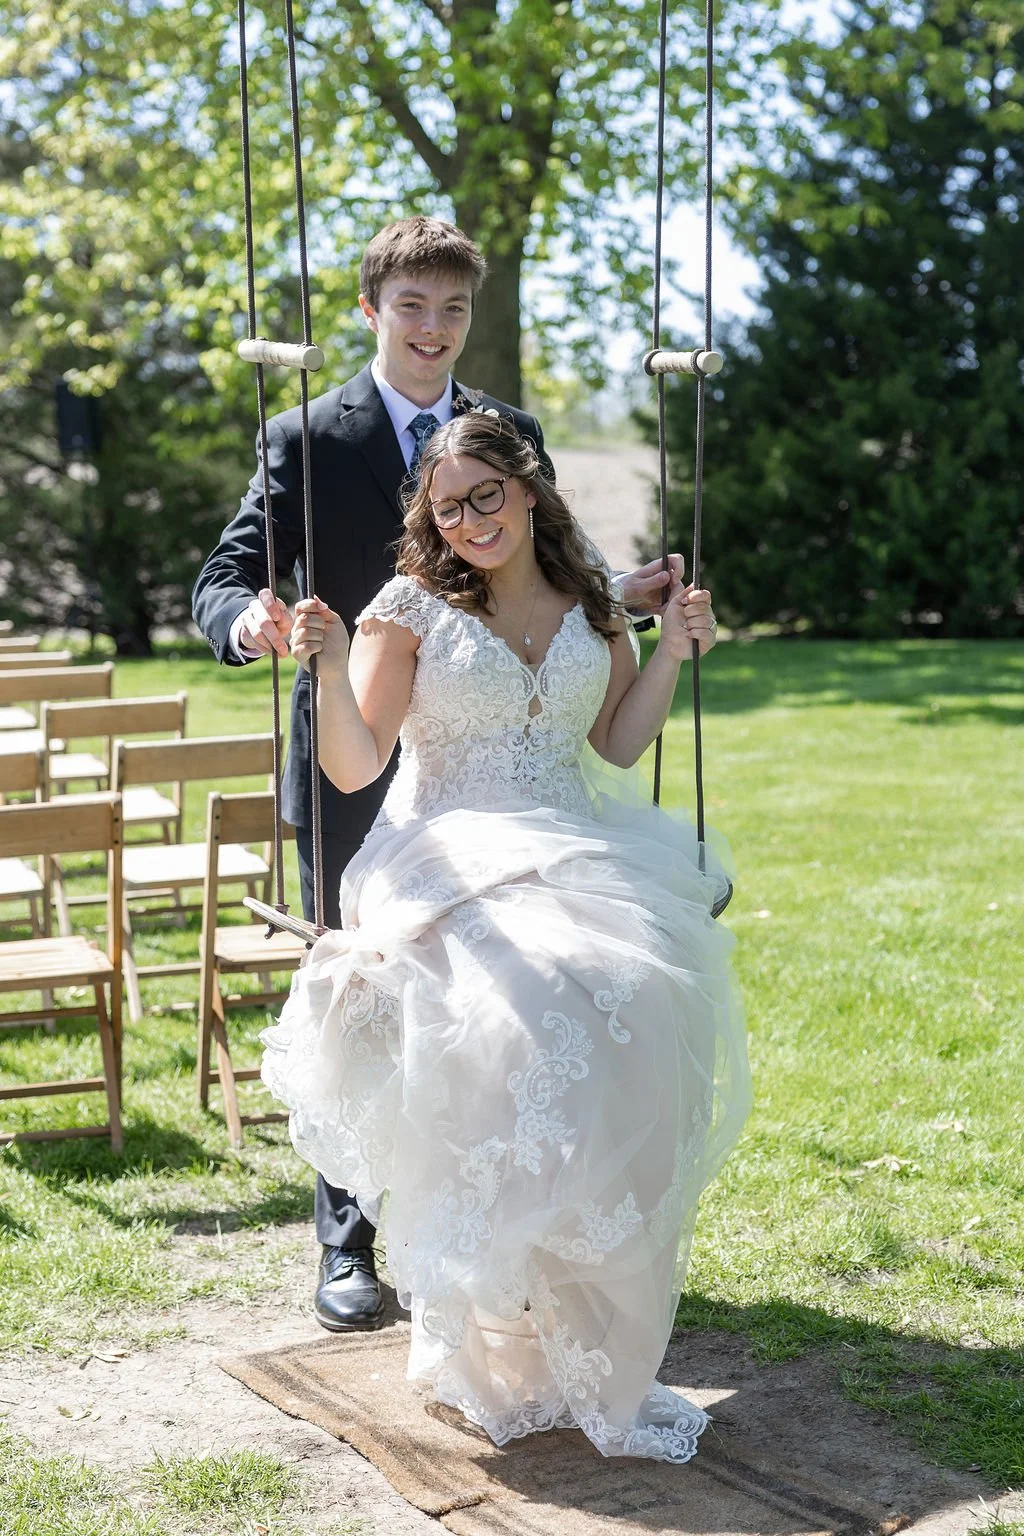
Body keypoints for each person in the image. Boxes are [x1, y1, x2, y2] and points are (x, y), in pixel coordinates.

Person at [192, 216, 689, 1335]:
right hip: (359, 759)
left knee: (516, 1011)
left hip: (500, 760)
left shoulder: (507, 430)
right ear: (371, 312)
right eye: (411, 307)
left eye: (453, 309)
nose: (433, 328)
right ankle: (349, 1243)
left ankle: (517, 1230)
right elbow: (224, 574)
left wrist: (616, 594)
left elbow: (536, 558)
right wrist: (252, 625)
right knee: (365, 1002)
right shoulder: (308, 436)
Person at [261, 411, 752, 1463]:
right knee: (526, 998)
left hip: (570, 841)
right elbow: (354, 766)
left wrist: (671, 650)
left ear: (528, 489)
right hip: (442, 845)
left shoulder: (592, 603)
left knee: (640, 987)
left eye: (485, 495)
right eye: (447, 508)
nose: (469, 521)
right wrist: (331, 665)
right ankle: (494, 1308)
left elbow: (617, 742)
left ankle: (580, 1284)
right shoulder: (407, 609)